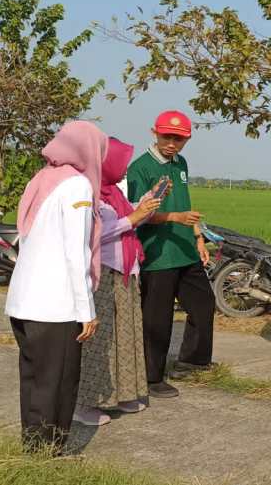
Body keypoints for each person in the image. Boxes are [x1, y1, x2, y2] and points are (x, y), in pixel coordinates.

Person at [6, 121, 107, 453]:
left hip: (24, 302)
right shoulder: (76, 185)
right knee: (58, 383)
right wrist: (86, 310)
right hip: (55, 306)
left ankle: (33, 450)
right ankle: (49, 453)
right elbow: (76, 252)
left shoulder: (44, 178)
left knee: (35, 382)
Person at [127, 111, 215, 399]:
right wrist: (174, 217)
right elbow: (137, 214)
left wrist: (198, 237)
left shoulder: (181, 163)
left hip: (185, 249)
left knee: (203, 303)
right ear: (154, 132)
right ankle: (151, 377)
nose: (172, 144)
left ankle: (192, 361)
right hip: (158, 254)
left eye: (179, 139)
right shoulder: (140, 168)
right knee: (157, 318)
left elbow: (185, 203)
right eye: (167, 137)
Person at [74, 139, 161, 426]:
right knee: (100, 341)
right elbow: (94, 233)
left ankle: (122, 395)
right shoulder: (88, 193)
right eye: (121, 164)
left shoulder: (113, 193)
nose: (124, 170)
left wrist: (146, 203)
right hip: (103, 274)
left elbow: (129, 217)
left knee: (125, 337)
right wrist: (133, 218)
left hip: (124, 272)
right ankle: (86, 404)